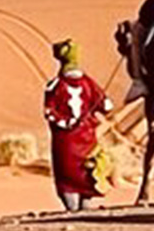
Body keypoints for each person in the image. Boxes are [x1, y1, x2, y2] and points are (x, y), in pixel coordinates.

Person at [44, 39, 114, 212]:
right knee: (86, 180)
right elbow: (107, 106)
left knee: (67, 184)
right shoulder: (89, 84)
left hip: (65, 145)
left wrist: (66, 123)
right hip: (87, 142)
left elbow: (49, 113)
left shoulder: (54, 86)